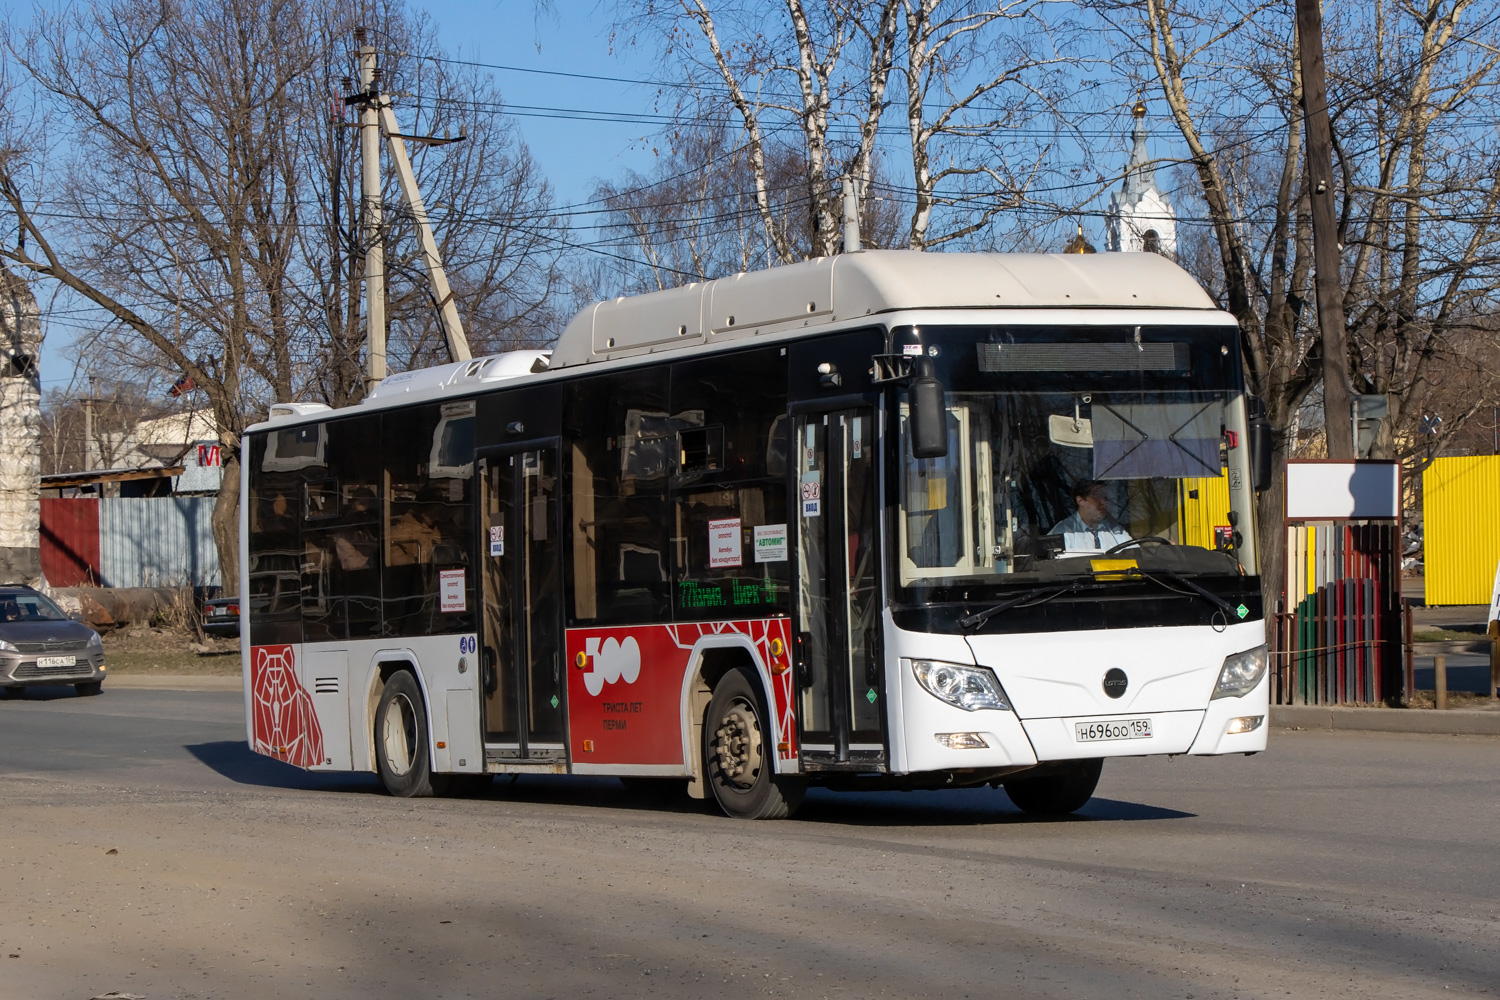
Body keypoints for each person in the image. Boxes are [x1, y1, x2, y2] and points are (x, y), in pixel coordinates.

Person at [1050, 480, 1131, 552]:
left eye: (1105, 497)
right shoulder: (1064, 532)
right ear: (1080, 500)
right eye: (1097, 497)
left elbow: (1134, 553)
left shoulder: (1113, 529)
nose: (1103, 502)